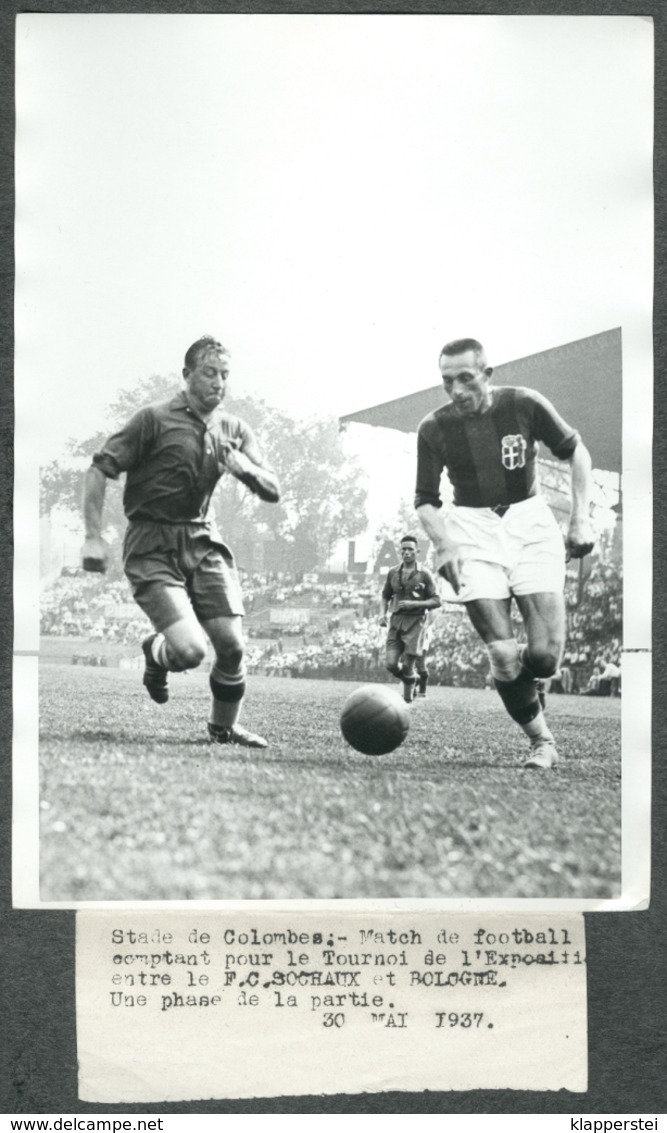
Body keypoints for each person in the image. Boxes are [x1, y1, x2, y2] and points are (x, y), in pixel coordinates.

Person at [80, 335, 280, 748]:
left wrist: (243, 469)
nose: (218, 383)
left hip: (203, 539)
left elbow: (273, 488)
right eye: (209, 373)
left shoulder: (235, 428)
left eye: (225, 375)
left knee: (233, 648)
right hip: (151, 542)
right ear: (187, 374)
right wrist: (92, 537)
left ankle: (222, 729)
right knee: (189, 652)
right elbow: (99, 469)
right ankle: (157, 651)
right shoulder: (152, 419)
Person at [415, 337, 594, 769]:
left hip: (529, 523)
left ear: (487, 375)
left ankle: (526, 685)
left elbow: (577, 453)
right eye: (447, 381)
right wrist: (443, 543)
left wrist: (580, 518)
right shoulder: (433, 428)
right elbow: (425, 499)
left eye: (465, 378)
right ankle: (542, 741)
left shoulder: (524, 404)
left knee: (545, 658)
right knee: (502, 654)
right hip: (471, 529)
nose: (456, 390)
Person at [379, 536, 441, 703]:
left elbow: (436, 601)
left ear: (417, 552)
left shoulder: (425, 574)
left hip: (416, 622)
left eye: (410, 550)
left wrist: (415, 603)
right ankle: (412, 680)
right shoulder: (393, 572)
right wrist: (382, 614)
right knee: (391, 664)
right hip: (396, 620)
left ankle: (407, 701)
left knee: (408, 665)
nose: (406, 552)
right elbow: (385, 596)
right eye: (404, 549)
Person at [415, 608, 438, 697]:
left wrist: (426, 625)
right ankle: (416, 690)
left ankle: (422, 691)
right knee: (416, 664)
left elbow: (433, 612)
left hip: (423, 635)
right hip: (420, 634)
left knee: (420, 664)